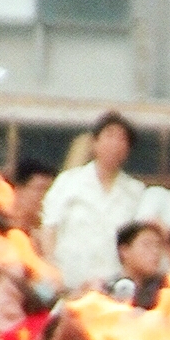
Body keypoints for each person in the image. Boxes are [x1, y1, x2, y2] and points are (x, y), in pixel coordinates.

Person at [39, 113, 149, 291]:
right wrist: (52, 269)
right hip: (68, 281)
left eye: (122, 140)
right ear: (95, 143)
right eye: (109, 136)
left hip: (114, 285)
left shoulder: (136, 191)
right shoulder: (68, 181)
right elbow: (49, 226)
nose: (115, 145)